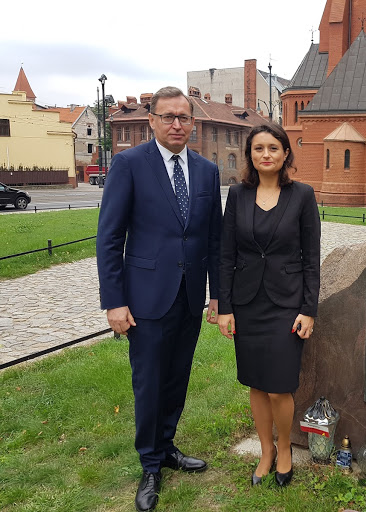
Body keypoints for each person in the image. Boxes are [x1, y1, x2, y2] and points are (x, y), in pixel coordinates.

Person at [96, 86, 222, 512]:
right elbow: (109, 238)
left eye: (183, 117)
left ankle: (166, 446)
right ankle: (150, 464)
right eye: (168, 117)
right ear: (152, 121)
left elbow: (214, 240)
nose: (176, 125)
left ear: (193, 122)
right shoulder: (129, 164)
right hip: (145, 300)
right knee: (149, 384)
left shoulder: (206, 171)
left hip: (190, 296)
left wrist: (217, 296)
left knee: (177, 379)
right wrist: (114, 301)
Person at [217, 123, 321, 487]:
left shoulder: (302, 195)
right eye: (258, 148)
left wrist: (309, 309)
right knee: (256, 384)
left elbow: (311, 258)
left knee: (279, 385)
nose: (266, 154)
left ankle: (285, 447)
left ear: (285, 153)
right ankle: (266, 451)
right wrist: (225, 307)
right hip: (247, 303)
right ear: (250, 154)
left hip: (287, 304)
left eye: (273, 148)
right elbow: (226, 254)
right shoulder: (238, 195)